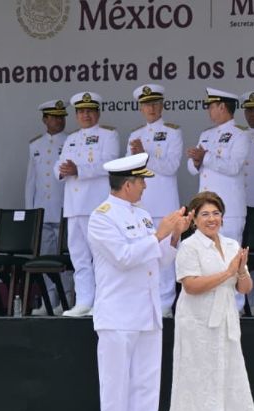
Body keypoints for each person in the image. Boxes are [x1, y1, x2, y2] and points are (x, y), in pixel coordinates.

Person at [87, 152, 188, 411]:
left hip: (147, 311)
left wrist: (174, 235)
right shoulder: (101, 217)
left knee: (146, 384)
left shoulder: (142, 214)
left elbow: (158, 260)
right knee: (116, 385)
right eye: (141, 180)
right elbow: (124, 257)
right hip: (118, 313)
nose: (145, 186)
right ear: (128, 183)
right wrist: (159, 233)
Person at [170, 191, 254, 411]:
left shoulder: (232, 245)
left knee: (220, 379)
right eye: (205, 214)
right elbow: (191, 286)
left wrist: (241, 270)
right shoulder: (190, 247)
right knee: (199, 381)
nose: (212, 219)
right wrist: (227, 272)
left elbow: (244, 288)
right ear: (194, 219)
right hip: (197, 322)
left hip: (225, 321)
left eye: (216, 213)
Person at [54, 91, 119, 317]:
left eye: (90, 111)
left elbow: (109, 163)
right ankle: (83, 301)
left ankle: (101, 302)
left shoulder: (108, 135)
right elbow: (58, 166)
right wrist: (61, 171)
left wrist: (78, 170)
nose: (85, 115)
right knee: (79, 256)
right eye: (81, 112)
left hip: (96, 205)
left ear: (97, 113)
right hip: (74, 206)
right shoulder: (71, 139)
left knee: (101, 256)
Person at [127, 84, 182, 317]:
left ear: (162, 105)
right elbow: (130, 171)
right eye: (146, 104)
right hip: (141, 204)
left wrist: (145, 154)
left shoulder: (172, 132)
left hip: (164, 201)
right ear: (140, 108)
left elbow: (171, 167)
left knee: (166, 253)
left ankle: (166, 302)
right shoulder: (134, 135)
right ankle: (145, 301)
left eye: (155, 103)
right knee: (143, 253)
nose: (151, 108)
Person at [186, 88, 249, 242]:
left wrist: (205, 157)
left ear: (222, 107)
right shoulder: (206, 134)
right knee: (206, 255)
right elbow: (192, 169)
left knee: (230, 256)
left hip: (229, 208)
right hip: (206, 208)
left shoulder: (240, 134)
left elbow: (234, 166)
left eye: (211, 106)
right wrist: (195, 161)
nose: (209, 111)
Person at [26, 100, 69, 315]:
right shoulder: (36, 145)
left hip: (64, 209)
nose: (59, 121)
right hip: (42, 209)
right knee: (44, 258)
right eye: (54, 117)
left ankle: (66, 299)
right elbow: (31, 181)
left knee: (65, 259)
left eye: (62, 117)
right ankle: (48, 301)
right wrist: (31, 212)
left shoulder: (71, 141)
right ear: (45, 120)